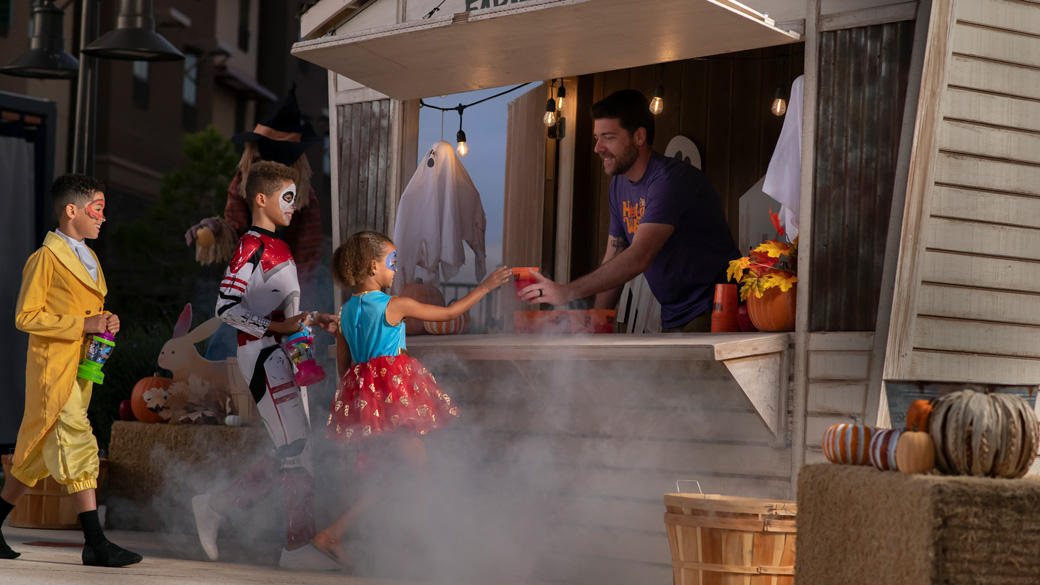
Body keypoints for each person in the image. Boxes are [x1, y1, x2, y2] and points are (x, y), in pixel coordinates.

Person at [310, 231, 510, 566]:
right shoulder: (394, 304)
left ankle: (334, 535)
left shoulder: (345, 313)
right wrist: (485, 288)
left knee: (392, 477)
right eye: (392, 262)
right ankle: (411, 550)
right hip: (394, 403)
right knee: (417, 474)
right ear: (374, 266)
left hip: (367, 407)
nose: (396, 268)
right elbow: (447, 315)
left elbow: (345, 370)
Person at [190, 161, 339, 570]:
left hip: (287, 354)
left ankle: (224, 509)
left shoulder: (279, 246)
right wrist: (277, 325)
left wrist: (311, 318)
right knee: (295, 448)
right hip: (266, 356)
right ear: (261, 199)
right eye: (287, 198)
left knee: (299, 450)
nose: (294, 207)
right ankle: (294, 546)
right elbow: (225, 308)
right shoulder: (250, 247)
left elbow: (282, 310)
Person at [1, 174, 142, 567]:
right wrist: (84, 325)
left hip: (80, 370)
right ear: (71, 211)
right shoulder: (45, 259)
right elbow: (25, 316)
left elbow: (88, 311)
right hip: (53, 373)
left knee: (33, 457)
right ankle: (95, 543)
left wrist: (105, 320)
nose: (103, 218)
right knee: (79, 444)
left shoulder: (90, 257)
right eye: (97, 209)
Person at [520, 89, 740, 332]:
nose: (598, 148)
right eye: (597, 138)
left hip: (715, 308)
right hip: (673, 314)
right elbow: (614, 257)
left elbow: (638, 257)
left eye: (609, 137)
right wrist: (597, 325)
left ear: (639, 136)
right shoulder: (619, 185)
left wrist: (566, 291)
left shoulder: (671, 180)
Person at [185, 83, 324, 360]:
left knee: (294, 365)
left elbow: (308, 261)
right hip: (248, 292)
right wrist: (214, 227)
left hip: (287, 292)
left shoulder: (306, 199)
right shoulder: (241, 185)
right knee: (222, 357)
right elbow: (235, 232)